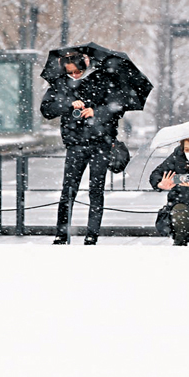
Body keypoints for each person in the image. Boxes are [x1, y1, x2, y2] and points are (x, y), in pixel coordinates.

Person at [41, 50, 127, 245]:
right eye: (70, 72)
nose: (75, 75)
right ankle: (61, 233)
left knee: (96, 190)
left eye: (77, 71)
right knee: (68, 190)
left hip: (101, 142)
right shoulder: (60, 83)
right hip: (75, 142)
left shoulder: (104, 78)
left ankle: (92, 235)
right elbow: (47, 110)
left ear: (85, 64)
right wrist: (69, 104)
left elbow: (118, 106)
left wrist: (96, 111)